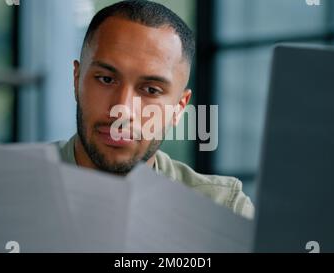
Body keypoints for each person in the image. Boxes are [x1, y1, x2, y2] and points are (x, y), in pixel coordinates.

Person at [57, 0, 254, 219]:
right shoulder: (15, 188)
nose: (122, 110)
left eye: (151, 90)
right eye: (106, 79)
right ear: (77, 80)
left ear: (179, 108)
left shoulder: (224, 211)